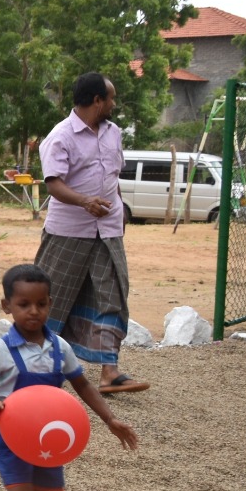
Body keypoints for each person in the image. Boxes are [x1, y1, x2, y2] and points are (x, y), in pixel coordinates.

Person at [0, 264, 138, 491]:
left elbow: (84, 385)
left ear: (51, 303)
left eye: (41, 304)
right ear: (7, 306)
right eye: (23, 305)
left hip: (51, 436)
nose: (33, 311)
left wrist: (111, 419)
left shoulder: (60, 348)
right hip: (12, 435)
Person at [35, 72, 149, 394]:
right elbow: (53, 183)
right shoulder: (60, 136)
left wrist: (120, 207)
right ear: (97, 101)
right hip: (68, 232)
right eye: (110, 98)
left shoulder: (113, 133)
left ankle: (109, 372)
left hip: (108, 231)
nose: (114, 103)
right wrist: (85, 202)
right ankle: (38, 370)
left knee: (113, 294)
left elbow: (112, 175)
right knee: (50, 299)